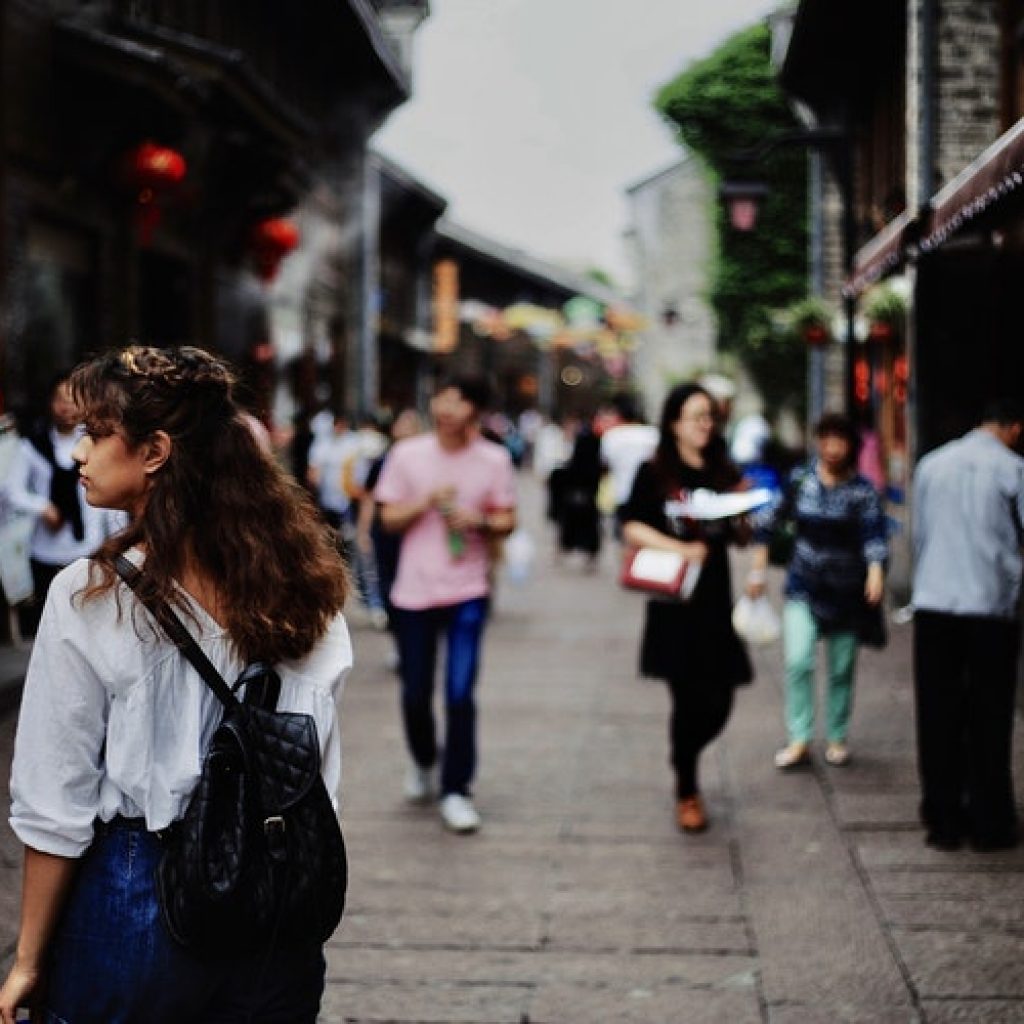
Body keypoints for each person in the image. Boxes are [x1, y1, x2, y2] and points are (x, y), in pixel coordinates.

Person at [0, 345, 351, 1024]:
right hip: (273, 903)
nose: (79, 454)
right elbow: (317, 768)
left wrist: (28, 959)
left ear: (155, 450)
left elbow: (54, 799)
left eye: (97, 435)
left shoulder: (92, 594)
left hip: (138, 894)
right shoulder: (309, 588)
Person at [374, 375, 517, 834]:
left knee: (459, 693)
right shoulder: (406, 454)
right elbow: (388, 518)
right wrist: (424, 503)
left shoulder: (494, 459)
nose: (447, 408)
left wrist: (481, 521)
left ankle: (457, 790)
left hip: (468, 591)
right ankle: (422, 759)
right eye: (443, 398)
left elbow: (508, 518)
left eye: (459, 401)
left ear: (474, 410)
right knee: (415, 692)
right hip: (414, 592)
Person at [621, 382, 753, 834]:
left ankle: (685, 753)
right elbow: (631, 526)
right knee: (685, 696)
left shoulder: (723, 469)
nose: (704, 425)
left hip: (715, 600)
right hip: (675, 601)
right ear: (674, 422)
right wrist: (679, 547)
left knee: (721, 697)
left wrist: (745, 514)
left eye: (709, 417)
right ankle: (687, 789)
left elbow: (742, 535)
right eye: (696, 416)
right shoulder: (655, 472)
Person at [911, 399, 1024, 852]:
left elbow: (920, 534)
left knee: (937, 714)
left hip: (934, 602)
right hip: (989, 606)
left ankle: (943, 817)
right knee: (989, 715)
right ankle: (989, 820)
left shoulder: (931, 465)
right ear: (1014, 427)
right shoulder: (1013, 469)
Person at [747, 412, 887, 771]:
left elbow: (874, 534)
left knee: (841, 668)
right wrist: (758, 570)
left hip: (846, 591)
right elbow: (767, 524)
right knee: (797, 661)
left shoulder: (862, 490)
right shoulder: (801, 480)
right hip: (803, 586)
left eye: (839, 440)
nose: (831, 448)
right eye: (825, 440)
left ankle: (837, 736)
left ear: (851, 445)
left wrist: (874, 573)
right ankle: (800, 738)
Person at [3, 371, 121, 637]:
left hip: (89, 546)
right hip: (47, 549)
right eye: (60, 399)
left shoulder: (99, 441)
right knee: (50, 626)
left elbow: (112, 496)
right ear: (50, 403)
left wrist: (116, 541)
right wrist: (43, 506)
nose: (66, 406)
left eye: (73, 399)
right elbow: (13, 490)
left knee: (90, 626)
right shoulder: (32, 445)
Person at [599, 393, 657, 529]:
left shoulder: (611, 437)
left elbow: (604, 464)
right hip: (649, 496)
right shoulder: (652, 434)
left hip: (622, 495)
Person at [553, 422, 603, 568]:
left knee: (569, 528)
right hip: (588, 501)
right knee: (589, 529)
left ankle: (564, 549)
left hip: (573, 500)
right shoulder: (596, 466)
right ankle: (589, 555)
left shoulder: (573, 465)